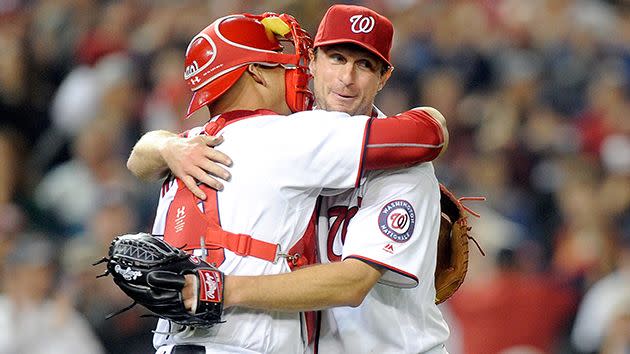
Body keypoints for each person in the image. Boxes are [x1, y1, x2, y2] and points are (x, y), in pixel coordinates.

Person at [126, 11, 448, 354]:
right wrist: (167, 145)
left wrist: (222, 289)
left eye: (365, 65)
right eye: (337, 58)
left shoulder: (402, 168)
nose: (347, 78)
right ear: (312, 61)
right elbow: (139, 159)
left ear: (384, 78)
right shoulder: (286, 136)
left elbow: (354, 282)